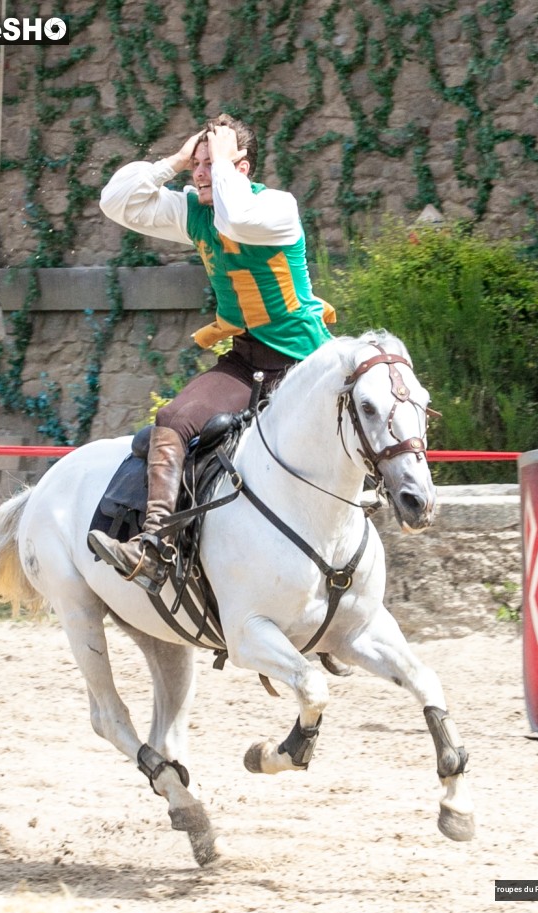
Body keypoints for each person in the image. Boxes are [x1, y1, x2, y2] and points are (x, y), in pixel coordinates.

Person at [88, 112, 335, 593]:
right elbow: (116, 202)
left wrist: (220, 162)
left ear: (241, 167)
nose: (199, 173)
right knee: (175, 418)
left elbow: (237, 218)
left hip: (306, 364)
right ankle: (154, 544)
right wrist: (175, 161)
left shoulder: (277, 207)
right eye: (196, 165)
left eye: (210, 164)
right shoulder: (195, 209)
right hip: (246, 360)